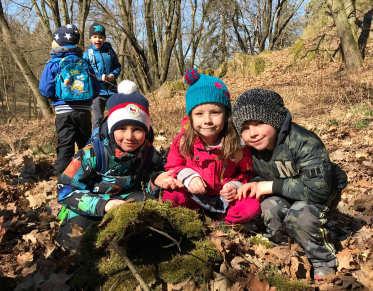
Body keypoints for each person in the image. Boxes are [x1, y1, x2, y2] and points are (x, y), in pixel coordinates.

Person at [232, 88, 347, 280]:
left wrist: (270, 187)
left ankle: (323, 260)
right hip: (288, 192)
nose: (252, 133)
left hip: (322, 195)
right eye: (245, 128)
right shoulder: (255, 150)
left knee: (300, 215)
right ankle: (286, 246)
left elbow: (319, 190)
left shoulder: (304, 142)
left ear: (275, 120)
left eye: (259, 123)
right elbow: (264, 176)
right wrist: (253, 184)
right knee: (269, 206)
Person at [56, 92, 182, 251]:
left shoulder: (148, 152)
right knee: (75, 245)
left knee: (155, 225)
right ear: (111, 128)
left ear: (146, 131)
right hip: (90, 203)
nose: (129, 136)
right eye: (121, 128)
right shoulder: (91, 153)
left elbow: (147, 183)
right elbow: (65, 191)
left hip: (127, 201)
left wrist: (156, 181)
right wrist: (105, 204)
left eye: (137, 129)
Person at [162, 69, 260, 224]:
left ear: (226, 115)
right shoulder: (182, 140)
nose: (207, 120)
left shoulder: (237, 143)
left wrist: (234, 185)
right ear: (190, 117)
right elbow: (172, 166)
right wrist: (188, 178)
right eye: (199, 114)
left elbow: (246, 172)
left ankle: (224, 223)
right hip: (194, 197)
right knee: (171, 196)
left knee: (251, 207)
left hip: (224, 199)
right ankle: (192, 219)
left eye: (215, 112)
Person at [39, 24, 97, 176]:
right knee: (85, 143)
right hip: (84, 111)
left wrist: (54, 97)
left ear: (57, 43)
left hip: (63, 111)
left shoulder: (53, 63)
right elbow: (95, 87)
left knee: (66, 144)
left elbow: (45, 89)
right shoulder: (84, 62)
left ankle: (63, 177)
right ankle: (90, 173)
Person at [83, 22, 122, 128]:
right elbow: (86, 72)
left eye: (100, 37)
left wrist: (113, 75)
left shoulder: (109, 51)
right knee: (97, 119)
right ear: (90, 39)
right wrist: (100, 77)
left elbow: (117, 66)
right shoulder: (87, 54)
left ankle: (114, 139)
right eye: (95, 37)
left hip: (112, 90)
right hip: (97, 92)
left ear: (104, 38)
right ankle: (96, 142)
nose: (98, 40)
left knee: (116, 116)